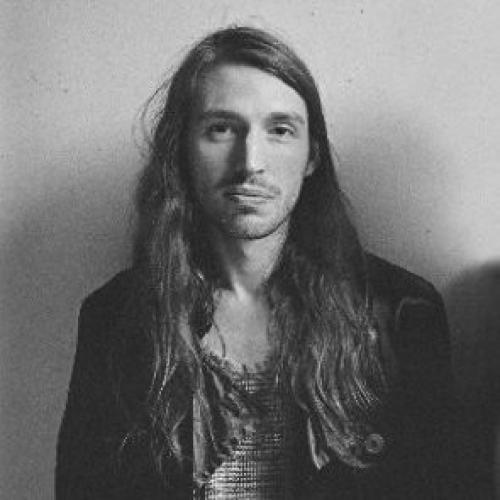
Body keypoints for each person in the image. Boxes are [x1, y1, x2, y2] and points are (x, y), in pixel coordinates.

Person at [56, 26, 463, 499]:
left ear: (312, 156)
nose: (250, 162)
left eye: (280, 130)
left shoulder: (402, 313)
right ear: (182, 149)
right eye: (221, 128)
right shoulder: (115, 319)